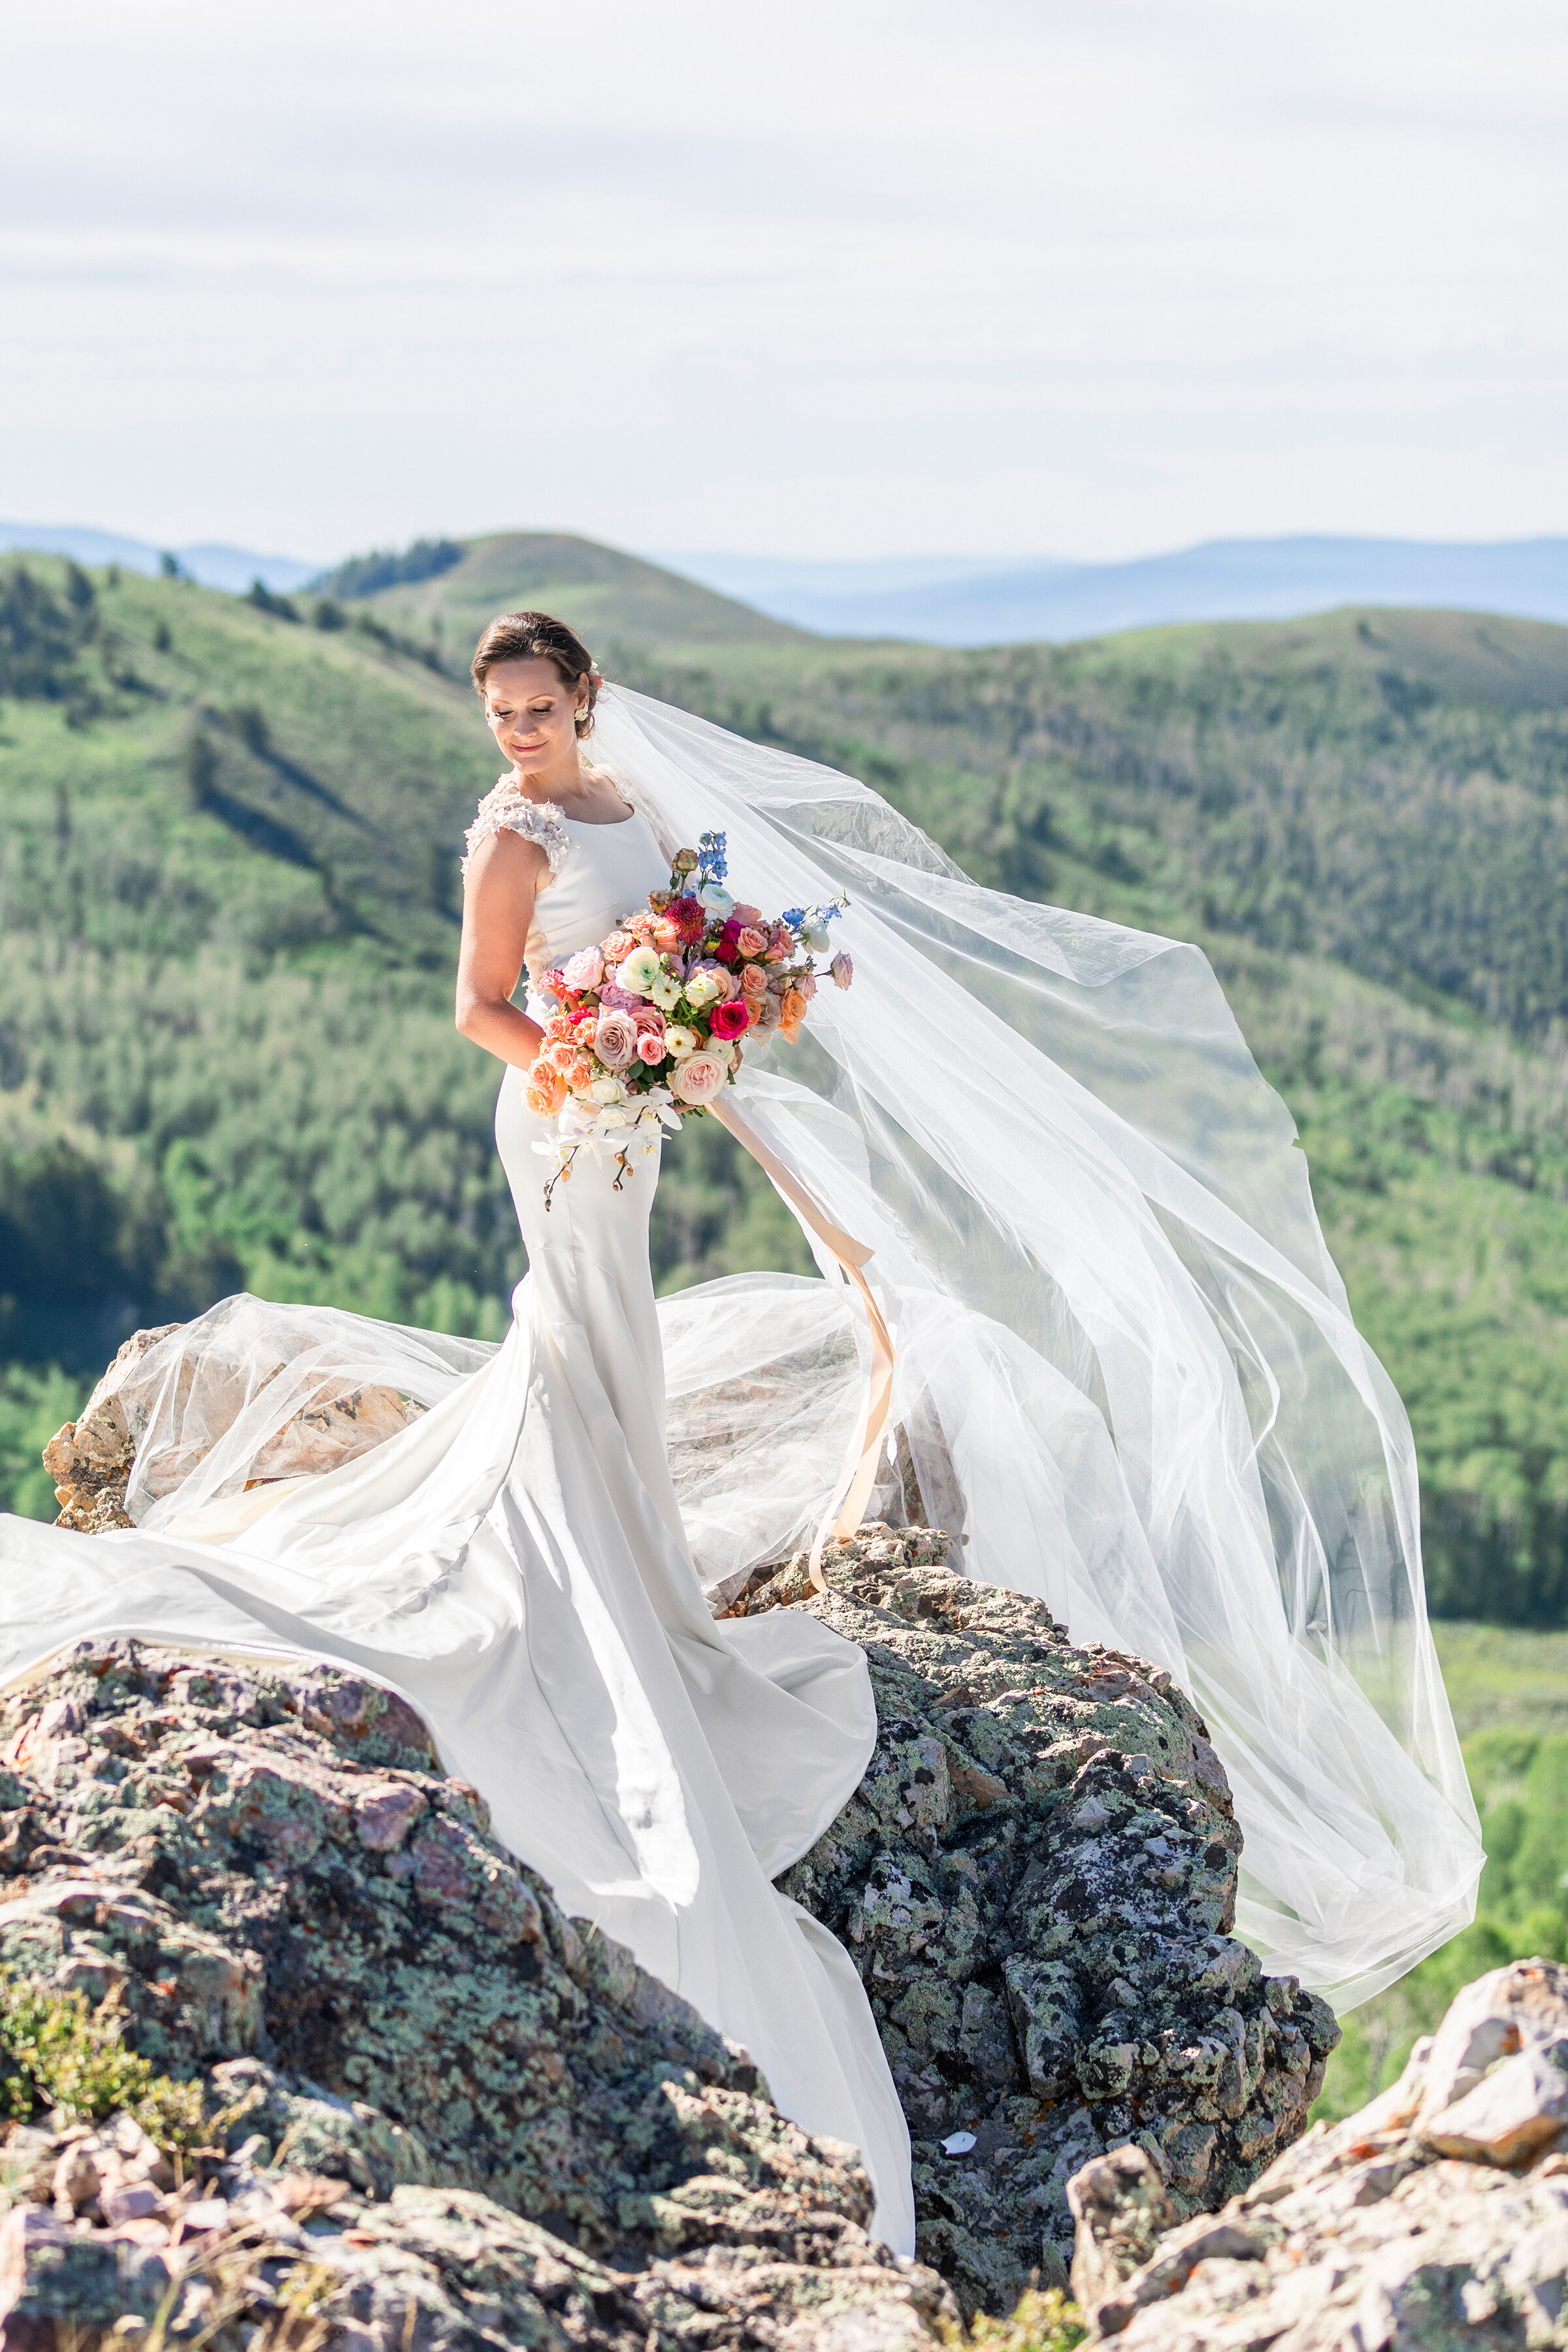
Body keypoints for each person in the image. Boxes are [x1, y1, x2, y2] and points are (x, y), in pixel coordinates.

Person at [0, 608, 1484, 2241]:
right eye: (498, 713)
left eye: (539, 709)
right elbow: (478, 1005)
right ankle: (582, 1565)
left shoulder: (632, 807)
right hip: (566, 1124)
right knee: (579, 1340)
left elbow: (694, 936)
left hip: (630, 1115)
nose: (517, 737)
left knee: (611, 1352)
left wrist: (698, 1018)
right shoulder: (505, 833)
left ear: (587, 698)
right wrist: (607, 1055)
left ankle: (621, 1560)